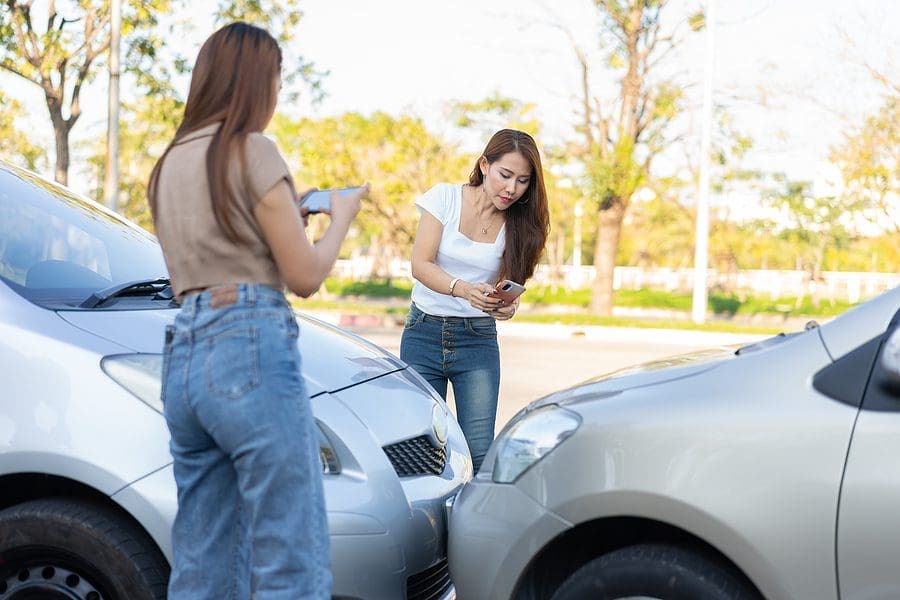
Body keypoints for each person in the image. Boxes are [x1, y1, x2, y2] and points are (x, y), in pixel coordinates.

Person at [148, 22, 367, 599]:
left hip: (184, 358)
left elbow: (194, 269)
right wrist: (339, 218)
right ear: (254, 83)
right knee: (291, 559)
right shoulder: (252, 150)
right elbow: (305, 277)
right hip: (247, 345)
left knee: (203, 564)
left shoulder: (169, 164)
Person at [399, 128, 550, 472]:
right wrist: (463, 288)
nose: (511, 189)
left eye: (523, 181)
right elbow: (420, 264)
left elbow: (506, 292)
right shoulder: (444, 199)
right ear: (485, 165)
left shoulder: (521, 227)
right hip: (423, 333)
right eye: (505, 175)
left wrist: (505, 307)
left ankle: (473, 525)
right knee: (421, 448)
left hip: (477, 341)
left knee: (479, 453)